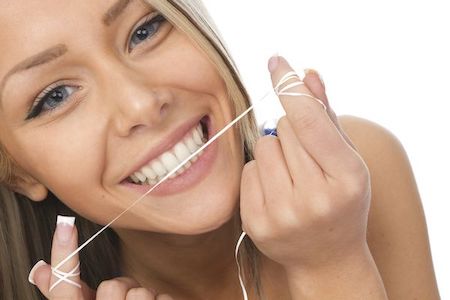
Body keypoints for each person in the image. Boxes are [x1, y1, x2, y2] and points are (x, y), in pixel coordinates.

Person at [0, 0, 440, 299]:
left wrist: (333, 265)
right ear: (17, 172)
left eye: (145, 30)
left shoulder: (358, 176)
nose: (142, 104)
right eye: (55, 97)